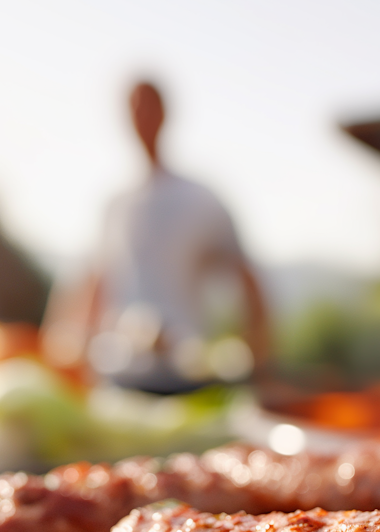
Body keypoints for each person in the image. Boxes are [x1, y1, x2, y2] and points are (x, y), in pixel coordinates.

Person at [43, 81, 269, 394]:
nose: (142, 116)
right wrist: (62, 347)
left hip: (186, 376)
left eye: (149, 105)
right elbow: (95, 284)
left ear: (165, 112)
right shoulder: (116, 204)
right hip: (119, 374)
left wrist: (259, 360)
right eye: (134, 107)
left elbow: (247, 279)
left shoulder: (201, 200)